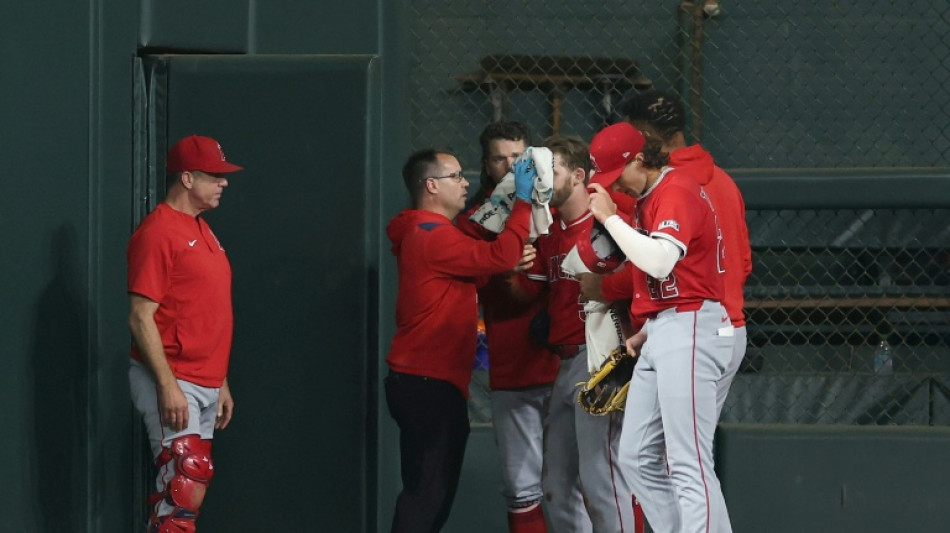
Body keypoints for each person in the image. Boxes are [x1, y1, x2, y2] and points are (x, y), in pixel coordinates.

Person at [586, 122, 735, 533]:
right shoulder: (650, 197)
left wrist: (611, 220)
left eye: (618, 176)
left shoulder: (676, 190)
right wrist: (649, 326)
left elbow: (660, 261)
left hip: (692, 327)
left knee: (688, 462)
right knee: (634, 456)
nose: (617, 186)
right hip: (666, 326)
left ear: (639, 160)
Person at [385, 148, 536, 533]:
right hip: (427, 384)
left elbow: (482, 252)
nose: (466, 181)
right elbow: (503, 253)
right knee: (426, 496)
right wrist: (520, 200)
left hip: (428, 383)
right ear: (431, 185)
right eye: (456, 176)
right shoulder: (430, 234)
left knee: (431, 495)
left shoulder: (435, 232)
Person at [126, 135, 243, 532]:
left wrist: (220, 379)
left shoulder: (203, 230)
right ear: (187, 178)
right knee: (182, 484)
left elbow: (202, 310)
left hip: (204, 379)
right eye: (215, 176)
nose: (223, 183)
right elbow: (141, 316)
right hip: (173, 377)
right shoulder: (159, 230)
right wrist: (167, 385)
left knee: (191, 486)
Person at [525, 135, 636, 532]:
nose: (540, 180)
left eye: (549, 171)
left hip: (603, 361)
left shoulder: (607, 220)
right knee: (555, 484)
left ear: (577, 175)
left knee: (601, 479)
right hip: (566, 362)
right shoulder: (550, 231)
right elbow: (525, 294)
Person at [620, 89, 752, 418]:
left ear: (644, 136)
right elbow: (744, 263)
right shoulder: (723, 181)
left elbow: (658, 265)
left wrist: (602, 287)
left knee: (668, 459)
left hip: (687, 333)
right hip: (728, 329)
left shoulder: (660, 188)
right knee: (678, 453)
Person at [456, 122, 558, 533]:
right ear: (487, 163)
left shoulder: (558, 202)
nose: (512, 165)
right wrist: (496, 262)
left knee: (588, 479)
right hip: (512, 363)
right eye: (502, 158)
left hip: (565, 362)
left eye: (519, 157)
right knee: (521, 488)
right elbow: (462, 272)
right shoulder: (480, 218)